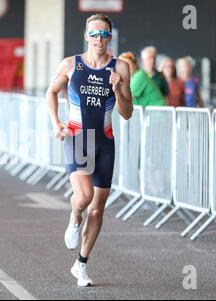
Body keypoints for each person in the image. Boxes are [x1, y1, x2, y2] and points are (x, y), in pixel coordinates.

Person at [45, 14, 133, 287]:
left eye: (104, 34)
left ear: (110, 37)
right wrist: (56, 122)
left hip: (105, 142)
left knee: (97, 211)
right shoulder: (71, 64)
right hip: (77, 138)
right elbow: (51, 92)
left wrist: (118, 89)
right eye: (94, 34)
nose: (98, 39)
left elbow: (127, 113)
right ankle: (74, 218)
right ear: (86, 36)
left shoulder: (122, 67)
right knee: (83, 197)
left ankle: (81, 265)